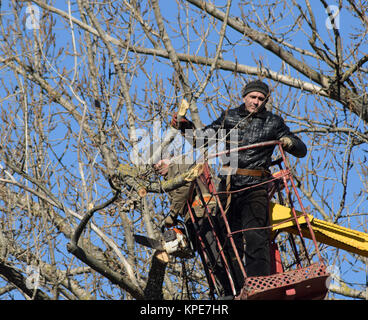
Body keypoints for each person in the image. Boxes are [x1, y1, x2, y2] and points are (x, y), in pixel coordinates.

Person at [171, 79, 307, 295]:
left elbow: (301, 149)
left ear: (266, 101)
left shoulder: (274, 122)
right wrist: (184, 127)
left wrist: (290, 142)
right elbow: (202, 140)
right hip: (229, 186)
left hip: (256, 186)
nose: (256, 102)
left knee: (255, 236)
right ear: (244, 97)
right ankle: (236, 286)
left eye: (261, 99)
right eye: (253, 97)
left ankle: (259, 285)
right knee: (227, 238)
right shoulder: (230, 117)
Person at [154, 157, 233, 297]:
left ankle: (230, 288)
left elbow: (185, 187)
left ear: (166, 157)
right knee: (208, 259)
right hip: (193, 218)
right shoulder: (168, 177)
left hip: (204, 213)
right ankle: (221, 291)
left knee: (216, 254)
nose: (156, 167)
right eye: (153, 166)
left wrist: (172, 214)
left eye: (158, 162)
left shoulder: (181, 164)